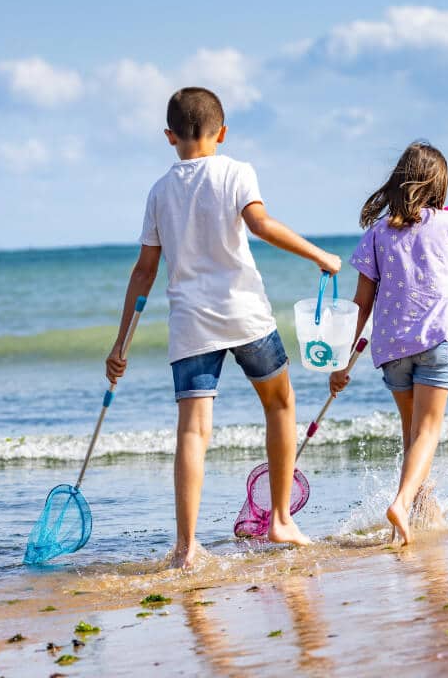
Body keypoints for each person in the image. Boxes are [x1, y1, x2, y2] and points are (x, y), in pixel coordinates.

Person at [106, 87, 341, 568]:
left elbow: (144, 272)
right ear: (223, 132)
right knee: (280, 404)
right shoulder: (236, 171)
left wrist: (119, 345)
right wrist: (320, 255)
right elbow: (261, 224)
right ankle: (279, 517)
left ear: (169, 136)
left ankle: (187, 547)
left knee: (193, 432)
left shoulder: (158, 191)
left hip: (191, 323)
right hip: (245, 313)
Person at [329, 141, 448, 545]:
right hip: (436, 339)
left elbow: (361, 305)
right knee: (427, 433)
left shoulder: (376, 234)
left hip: (392, 349)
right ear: (438, 185)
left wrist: (341, 362)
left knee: (413, 435)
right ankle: (404, 501)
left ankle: (418, 515)